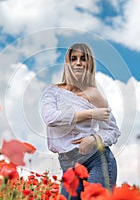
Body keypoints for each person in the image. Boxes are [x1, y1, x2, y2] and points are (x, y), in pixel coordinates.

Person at [40, 43, 120, 199]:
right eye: (73, 58)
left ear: (89, 64)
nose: (78, 63)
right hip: (68, 165)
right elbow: (50, 118)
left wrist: (94, 138)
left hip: (97, 160)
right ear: (67, 63)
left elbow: (112, 130)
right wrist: (90, 114)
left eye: (83, 59)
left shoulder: (94, 95)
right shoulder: (53, 91)